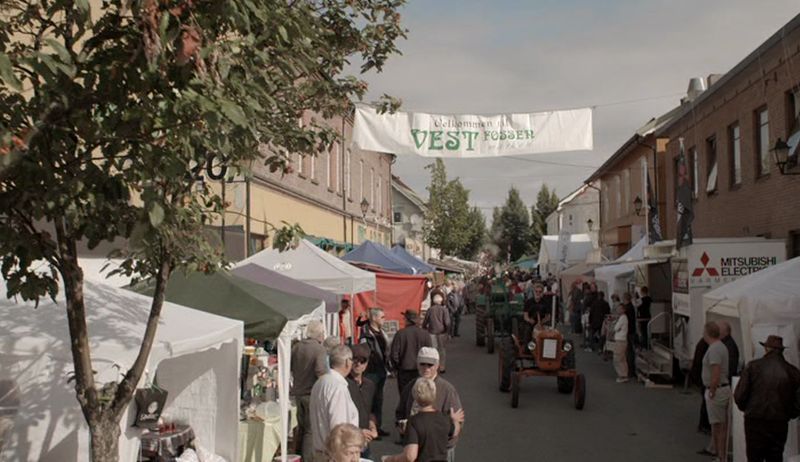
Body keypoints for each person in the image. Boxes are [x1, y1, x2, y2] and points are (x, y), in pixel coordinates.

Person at [734, 335, 800, 462]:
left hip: (754, 419)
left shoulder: (753, 366)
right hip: (779, 422)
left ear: (767, 349)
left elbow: (739, 395)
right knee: (775, 456)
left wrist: (746, 408)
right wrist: (789, 414)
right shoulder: (793, 372)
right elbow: (798, 402)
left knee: (754, 457)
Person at [396, 347, 464, 462]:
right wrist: (401, 426)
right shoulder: (410, 387)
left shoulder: (447, 390)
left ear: (437, 366)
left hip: (439, 452)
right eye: (423, 364)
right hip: (413, 447)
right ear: (417, 365)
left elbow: (458, 423)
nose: (426, 368)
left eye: (430, 365)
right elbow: (400, 412)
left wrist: (444, 444)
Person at [383, 378, 464, 462]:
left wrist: (390, 459)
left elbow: (410, 456)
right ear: (434, 395)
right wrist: (454, 420)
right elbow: (455, 432)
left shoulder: (414, 422)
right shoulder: (444, 419)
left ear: (415, 395)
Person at [310, 345, 360, 462]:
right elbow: (339, 429)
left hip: (321, 452)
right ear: (347, 362)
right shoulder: (337, 387)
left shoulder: (320, 382)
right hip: (334, 455)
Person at [291, 320, 328, 462]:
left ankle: (298, 455)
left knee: (300, 428)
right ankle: (307, 459)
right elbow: (320, 371)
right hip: (311, 393)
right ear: (319, 334)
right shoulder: (319, 349)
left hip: (298, 392)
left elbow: (289, 366)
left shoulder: (297, 347)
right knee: (310, 430)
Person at [701, 322, 730, 462]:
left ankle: (721, 456)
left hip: (717, 390)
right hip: (720, 389)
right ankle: (720, 455)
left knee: (717, 427)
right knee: (720, 426)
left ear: (707, 333)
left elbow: (715, 372)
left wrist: (712, 390)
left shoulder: (714, 349)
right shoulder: (719, 347)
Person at [359, 307, 390, 437]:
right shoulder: (366, 334)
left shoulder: (381, 332)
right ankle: (371, 428)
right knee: (370, 400)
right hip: (371, 372)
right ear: (375, 318)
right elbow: (364, 352)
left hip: (381, 370)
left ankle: (378, 425)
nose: (384, 319)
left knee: (379, 399)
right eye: (382, 317)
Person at [390, 310, 433, 395]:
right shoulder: (424, 333)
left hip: (404, 370)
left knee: (405, 396)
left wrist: (397, 367)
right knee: (421, 395)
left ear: (407, 320)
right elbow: (430, 352)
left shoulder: (400, 334)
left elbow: (394, 354)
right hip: (422, 369)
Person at [346, 344, 378, 458]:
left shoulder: (370, 385)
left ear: (367, 363)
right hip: (347, 440)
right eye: (355, 360)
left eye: (362, 360)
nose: (358, 364)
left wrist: (373, 426)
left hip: (365, 440)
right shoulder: (343, 384)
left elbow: (372, 410)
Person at [423, 290, 450, 374]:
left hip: (432, 332)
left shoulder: (430, 310)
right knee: (442, 350)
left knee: (433, 350)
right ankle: (442, 367)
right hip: (442, 332)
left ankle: (434, 366)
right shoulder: (444, 310)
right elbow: (447, 322)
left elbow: (425, 321)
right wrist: (447, 332)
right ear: (441, 301)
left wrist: (424, 328)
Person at [611, 303, 629, 383]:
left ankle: (622, 375)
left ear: (623, 309)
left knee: (617, 358)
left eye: (619, 308)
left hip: (620, 340)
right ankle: (624, 374)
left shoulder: (622, 318)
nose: (618, 310)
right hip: (622, 340)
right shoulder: (622, 318)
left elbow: (615, 328)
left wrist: (615, 325)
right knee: (622, 358)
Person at [622, 292, 637, 378]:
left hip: (628, 332)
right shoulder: (631, 307)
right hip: (631, 331)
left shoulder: (627, 309)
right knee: (630, 350)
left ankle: (630, 370)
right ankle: (631, 369)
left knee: (629, 351)